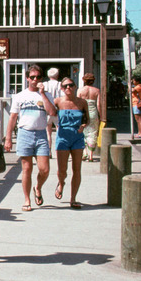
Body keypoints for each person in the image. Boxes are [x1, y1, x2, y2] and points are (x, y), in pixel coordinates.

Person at [4, 64, 56, 212]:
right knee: (26, 168)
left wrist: (43, 94)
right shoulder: (20, 96)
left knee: (44, 169)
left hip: (41, 134)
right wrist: (8, 138)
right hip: (24, 133)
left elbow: (52, 112)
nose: (34, 80)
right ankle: (27, 200)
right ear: (27, 78)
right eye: (32, 77)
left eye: (38, 77)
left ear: (42, 79)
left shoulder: (47, 95)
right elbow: (13, 117)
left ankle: (37, 187)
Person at [53, 78, 89, 208]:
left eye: (71, 85)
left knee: (77, 169)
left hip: (77, 138)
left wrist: (83, 125)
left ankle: (73, 198)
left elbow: (87, 119)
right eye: (65, 86)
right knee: (62, 170)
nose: (68, 88)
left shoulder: (82, 102)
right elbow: (49, 111)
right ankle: (61, 183)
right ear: (62, 88)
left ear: (75, 87)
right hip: (63, 137)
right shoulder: (58, 101)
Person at [78, 72, 102, 162]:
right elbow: (99, 104)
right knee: (93, 132)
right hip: (93, 113)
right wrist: (101, 115)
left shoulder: (80, 90)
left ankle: (84, 153)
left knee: (82, 132)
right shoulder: (96, 90)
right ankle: (91, 155)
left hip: (83, 112)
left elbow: (78, 103)